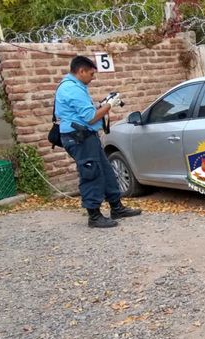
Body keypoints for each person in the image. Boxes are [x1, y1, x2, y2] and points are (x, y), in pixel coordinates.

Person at [55, 55, 141, 228]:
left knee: (107, 171)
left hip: (87, 138)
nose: (93, 78)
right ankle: (94, 216)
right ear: (81, 71)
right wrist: (109, 105)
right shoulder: (72, 89)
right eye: (91, 74)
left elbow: (86, 114)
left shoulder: (75, 86)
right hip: (80, 139)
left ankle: (117, 207)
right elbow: (91, 118)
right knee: (91, 174)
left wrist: (103, 104)